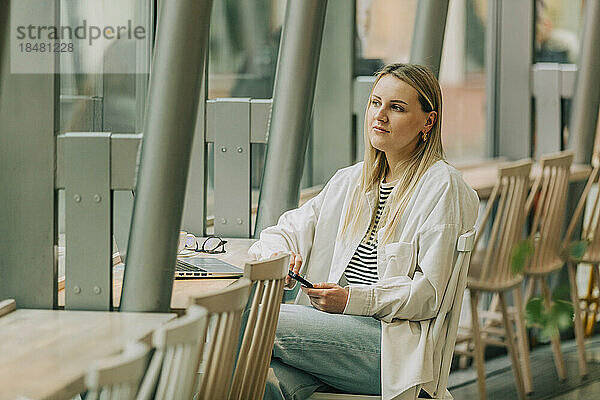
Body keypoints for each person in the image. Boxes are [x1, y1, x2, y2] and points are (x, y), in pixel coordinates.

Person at [248, 63, 479, 400]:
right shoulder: (352, 181)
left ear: (428, 121)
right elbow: (284, 230)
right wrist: (277, 258)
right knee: (264, 385)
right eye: (375, 102)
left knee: (254, 318)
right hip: (332, 340)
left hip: (392, 350)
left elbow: (429, 294)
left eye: (396, 108)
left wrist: (350, 300)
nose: (380, 116)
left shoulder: (443, 188)